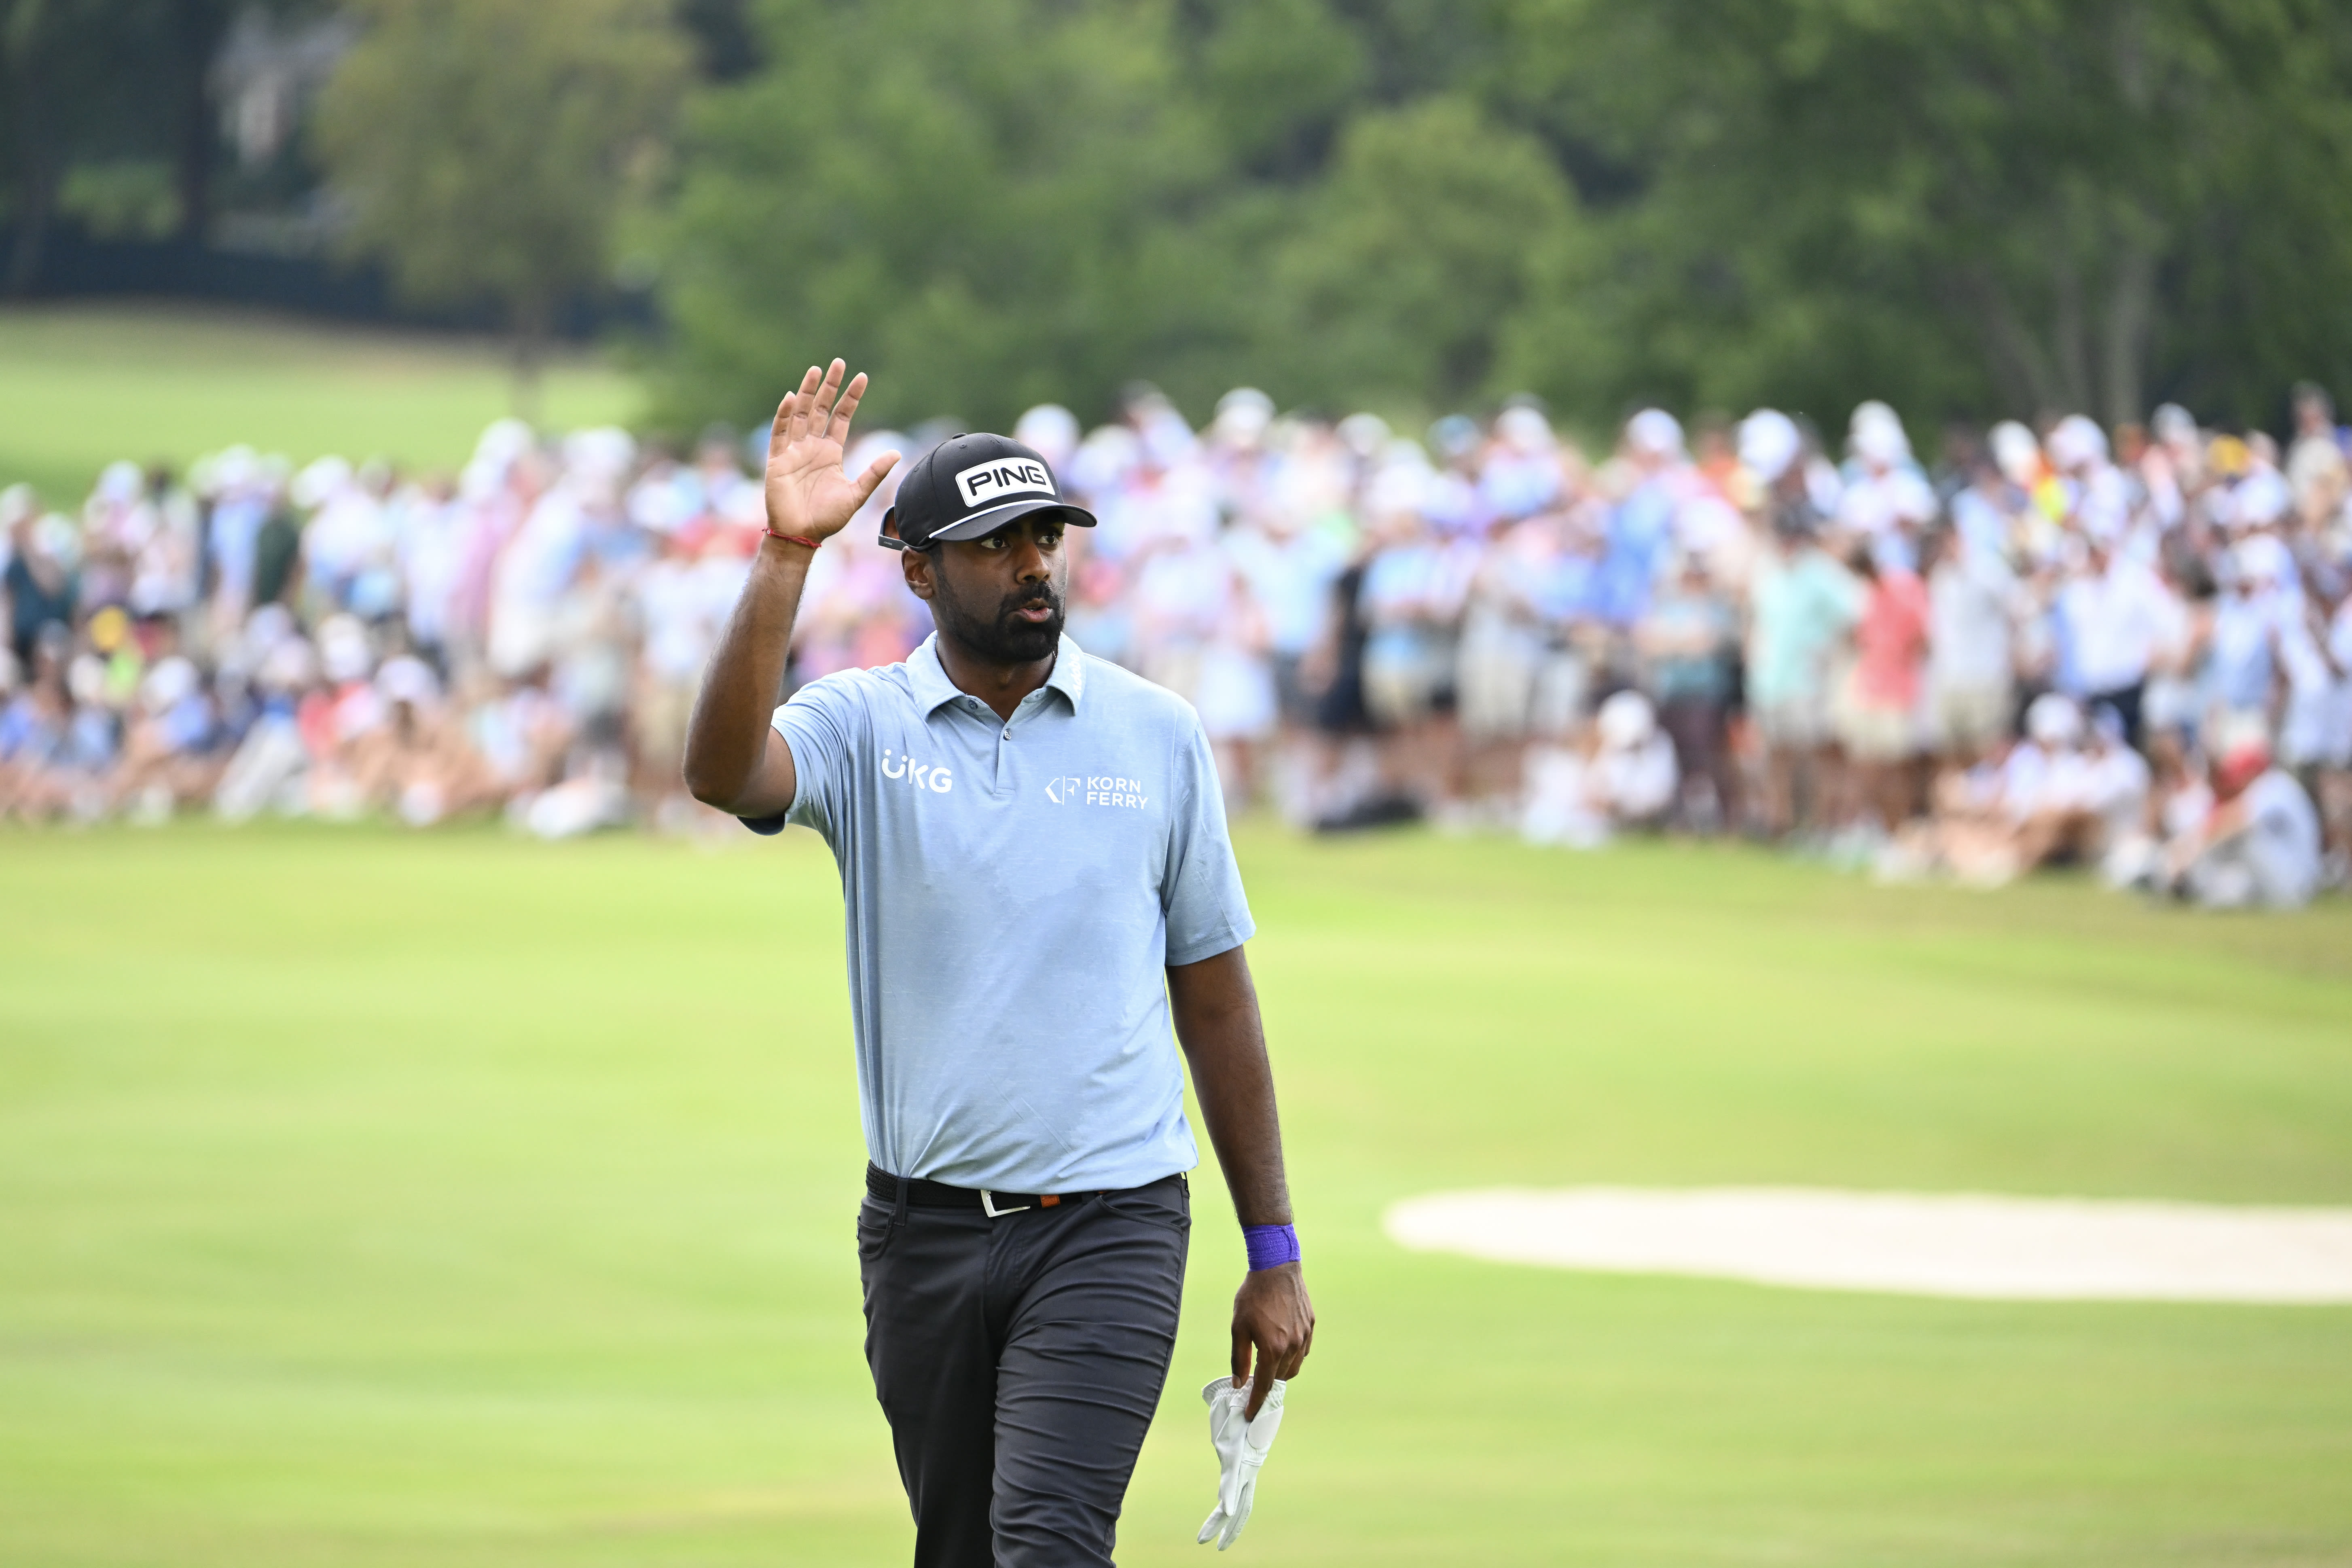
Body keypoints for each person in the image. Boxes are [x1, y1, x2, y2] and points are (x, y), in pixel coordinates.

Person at [683, 360, 1313, 1568]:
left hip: (1111, 1225)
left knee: (1048, 1544)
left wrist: (1272, 1249)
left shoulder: (1157, 732)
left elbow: (1218, 1000)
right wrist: (783, 556)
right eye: (994, 545)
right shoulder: (861, 724)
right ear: (918, 570)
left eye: (1044, 537)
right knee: (964, 1550)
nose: (1032, 564)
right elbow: (724, 774)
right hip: (919, 1234)